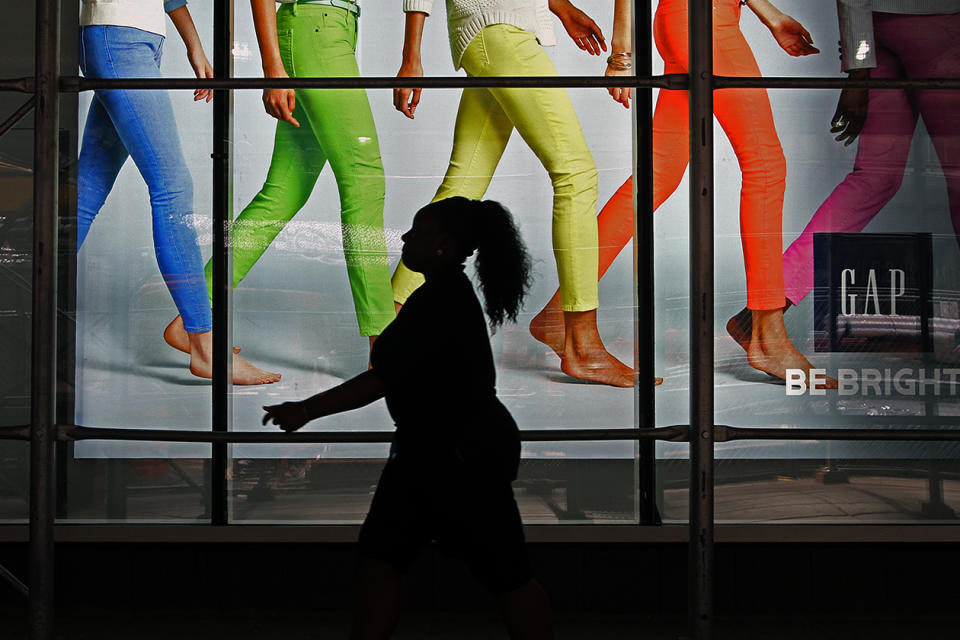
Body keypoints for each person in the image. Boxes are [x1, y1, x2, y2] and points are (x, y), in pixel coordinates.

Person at [263, 197, 554, 640]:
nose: (404, 238)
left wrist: (304, 410)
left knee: (391, 561)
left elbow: (383, 379)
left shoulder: (439, 301)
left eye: (417, 231)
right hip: (457, 453)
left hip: (445, 456)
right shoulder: (446, 296)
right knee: (494, 571)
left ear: (443, 244)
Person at [530, 0, 828, 386]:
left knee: (656, 178)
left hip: (686, 21)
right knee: (766, 167)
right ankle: (768, 336)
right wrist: (622, 54)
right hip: (707, 24)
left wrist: (769, 16)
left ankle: (558, 312)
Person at [391, 0, 635, 388]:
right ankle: (581, 345)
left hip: (496, 32)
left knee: (463, 185)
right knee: (576, 174)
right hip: (498, 31)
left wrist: (560, 7)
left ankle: (388, 332)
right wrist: (411, 57)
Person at [164, 0, 395, 360]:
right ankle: (385, 347)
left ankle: (191, 320)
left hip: (322, 31)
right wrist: (273, 69)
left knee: (283, 192)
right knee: (363, 179)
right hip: (317, 30)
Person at [77, 0, 280, 384]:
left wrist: (194, 46)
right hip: (117, 37)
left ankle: (13, 290)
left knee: (86, 192)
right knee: (172, 189)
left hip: (133, 41)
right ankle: (204, 346)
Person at [729, 0, 960, 336]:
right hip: (940, 30)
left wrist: (859, 69)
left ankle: (766, 310)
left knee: (874, 178)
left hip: (874, 35)